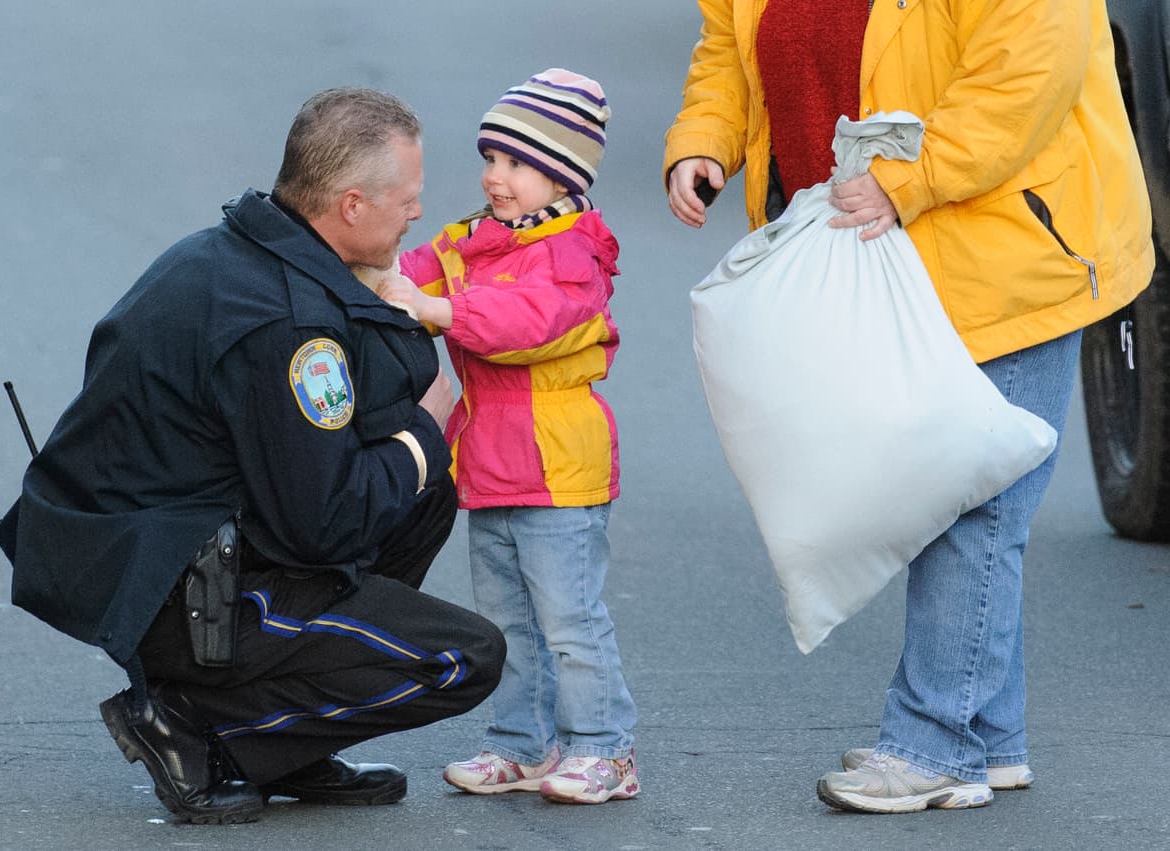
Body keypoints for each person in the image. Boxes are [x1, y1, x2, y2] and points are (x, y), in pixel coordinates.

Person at [664, 0, 1153, 814]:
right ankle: (988, 739)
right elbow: (728, 46)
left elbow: (1024, 76)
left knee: (975, 506)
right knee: (966, 498)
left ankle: (933, 743)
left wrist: (906, 180)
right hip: (880, 246)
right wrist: (703, 142)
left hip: (1007, 247)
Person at [0, 87, 507, 825]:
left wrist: (381, 305)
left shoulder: (241, 249)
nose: (418, 214)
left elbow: (384, 391)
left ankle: (285, 743)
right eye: (408, 199)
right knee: (464, 655)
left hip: (151, 547)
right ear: (351, 205)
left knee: (419, 495)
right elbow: (325, 524)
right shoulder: (288, 323)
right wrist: (425, 434)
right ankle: (193, 723)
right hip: (177, 588)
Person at [377, 68, 639, 805]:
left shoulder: (571, 254)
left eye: (517, 163)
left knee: (569, 620)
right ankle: (522, 744)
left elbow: (523, 326)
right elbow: (407, 268)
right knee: (507, 621)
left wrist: (434, 310)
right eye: (491, 158)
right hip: (490, 464)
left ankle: (605, 749)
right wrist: (371, 271)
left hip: (558, 465)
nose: (496, 176)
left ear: (562, 175)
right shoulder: (475, 239)